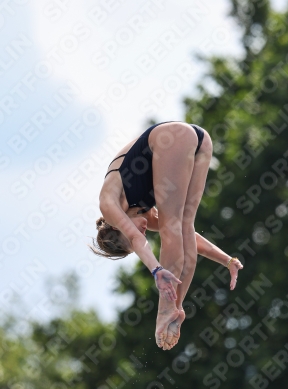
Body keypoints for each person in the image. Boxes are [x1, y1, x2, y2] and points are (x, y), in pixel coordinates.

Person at [91, 121, 243, 350]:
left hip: (172, 137)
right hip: (201, 140)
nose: (141, 232)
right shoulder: (146, 215)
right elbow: (190, 236)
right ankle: (176, 307)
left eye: (129, 236)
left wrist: (156, 269)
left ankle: (164, 310)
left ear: (114, 226)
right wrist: (227, 260)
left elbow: (137, 240)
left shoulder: (108, 203)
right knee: (182, 228)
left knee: (172, 230)